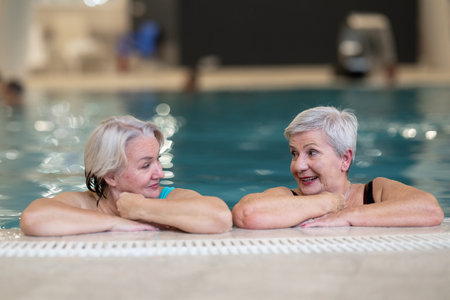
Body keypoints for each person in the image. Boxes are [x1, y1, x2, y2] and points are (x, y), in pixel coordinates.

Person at [232, 106, 444, 229]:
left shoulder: (375, 192)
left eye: (311, 152)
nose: (298, 165)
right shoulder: (288, 197)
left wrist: (346, 215)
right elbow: (245, 214)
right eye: (294, 154)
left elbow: (430, 210)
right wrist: (326, 203)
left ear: (345, 158)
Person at [21, 115, 232, 236]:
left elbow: (220, 217)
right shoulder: (83, 204)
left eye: (157, 160)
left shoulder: (168, 197)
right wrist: (114, 222)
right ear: (111, 176)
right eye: (146, 165)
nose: (160, 172)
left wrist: (140, 208)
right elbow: (33, 218)